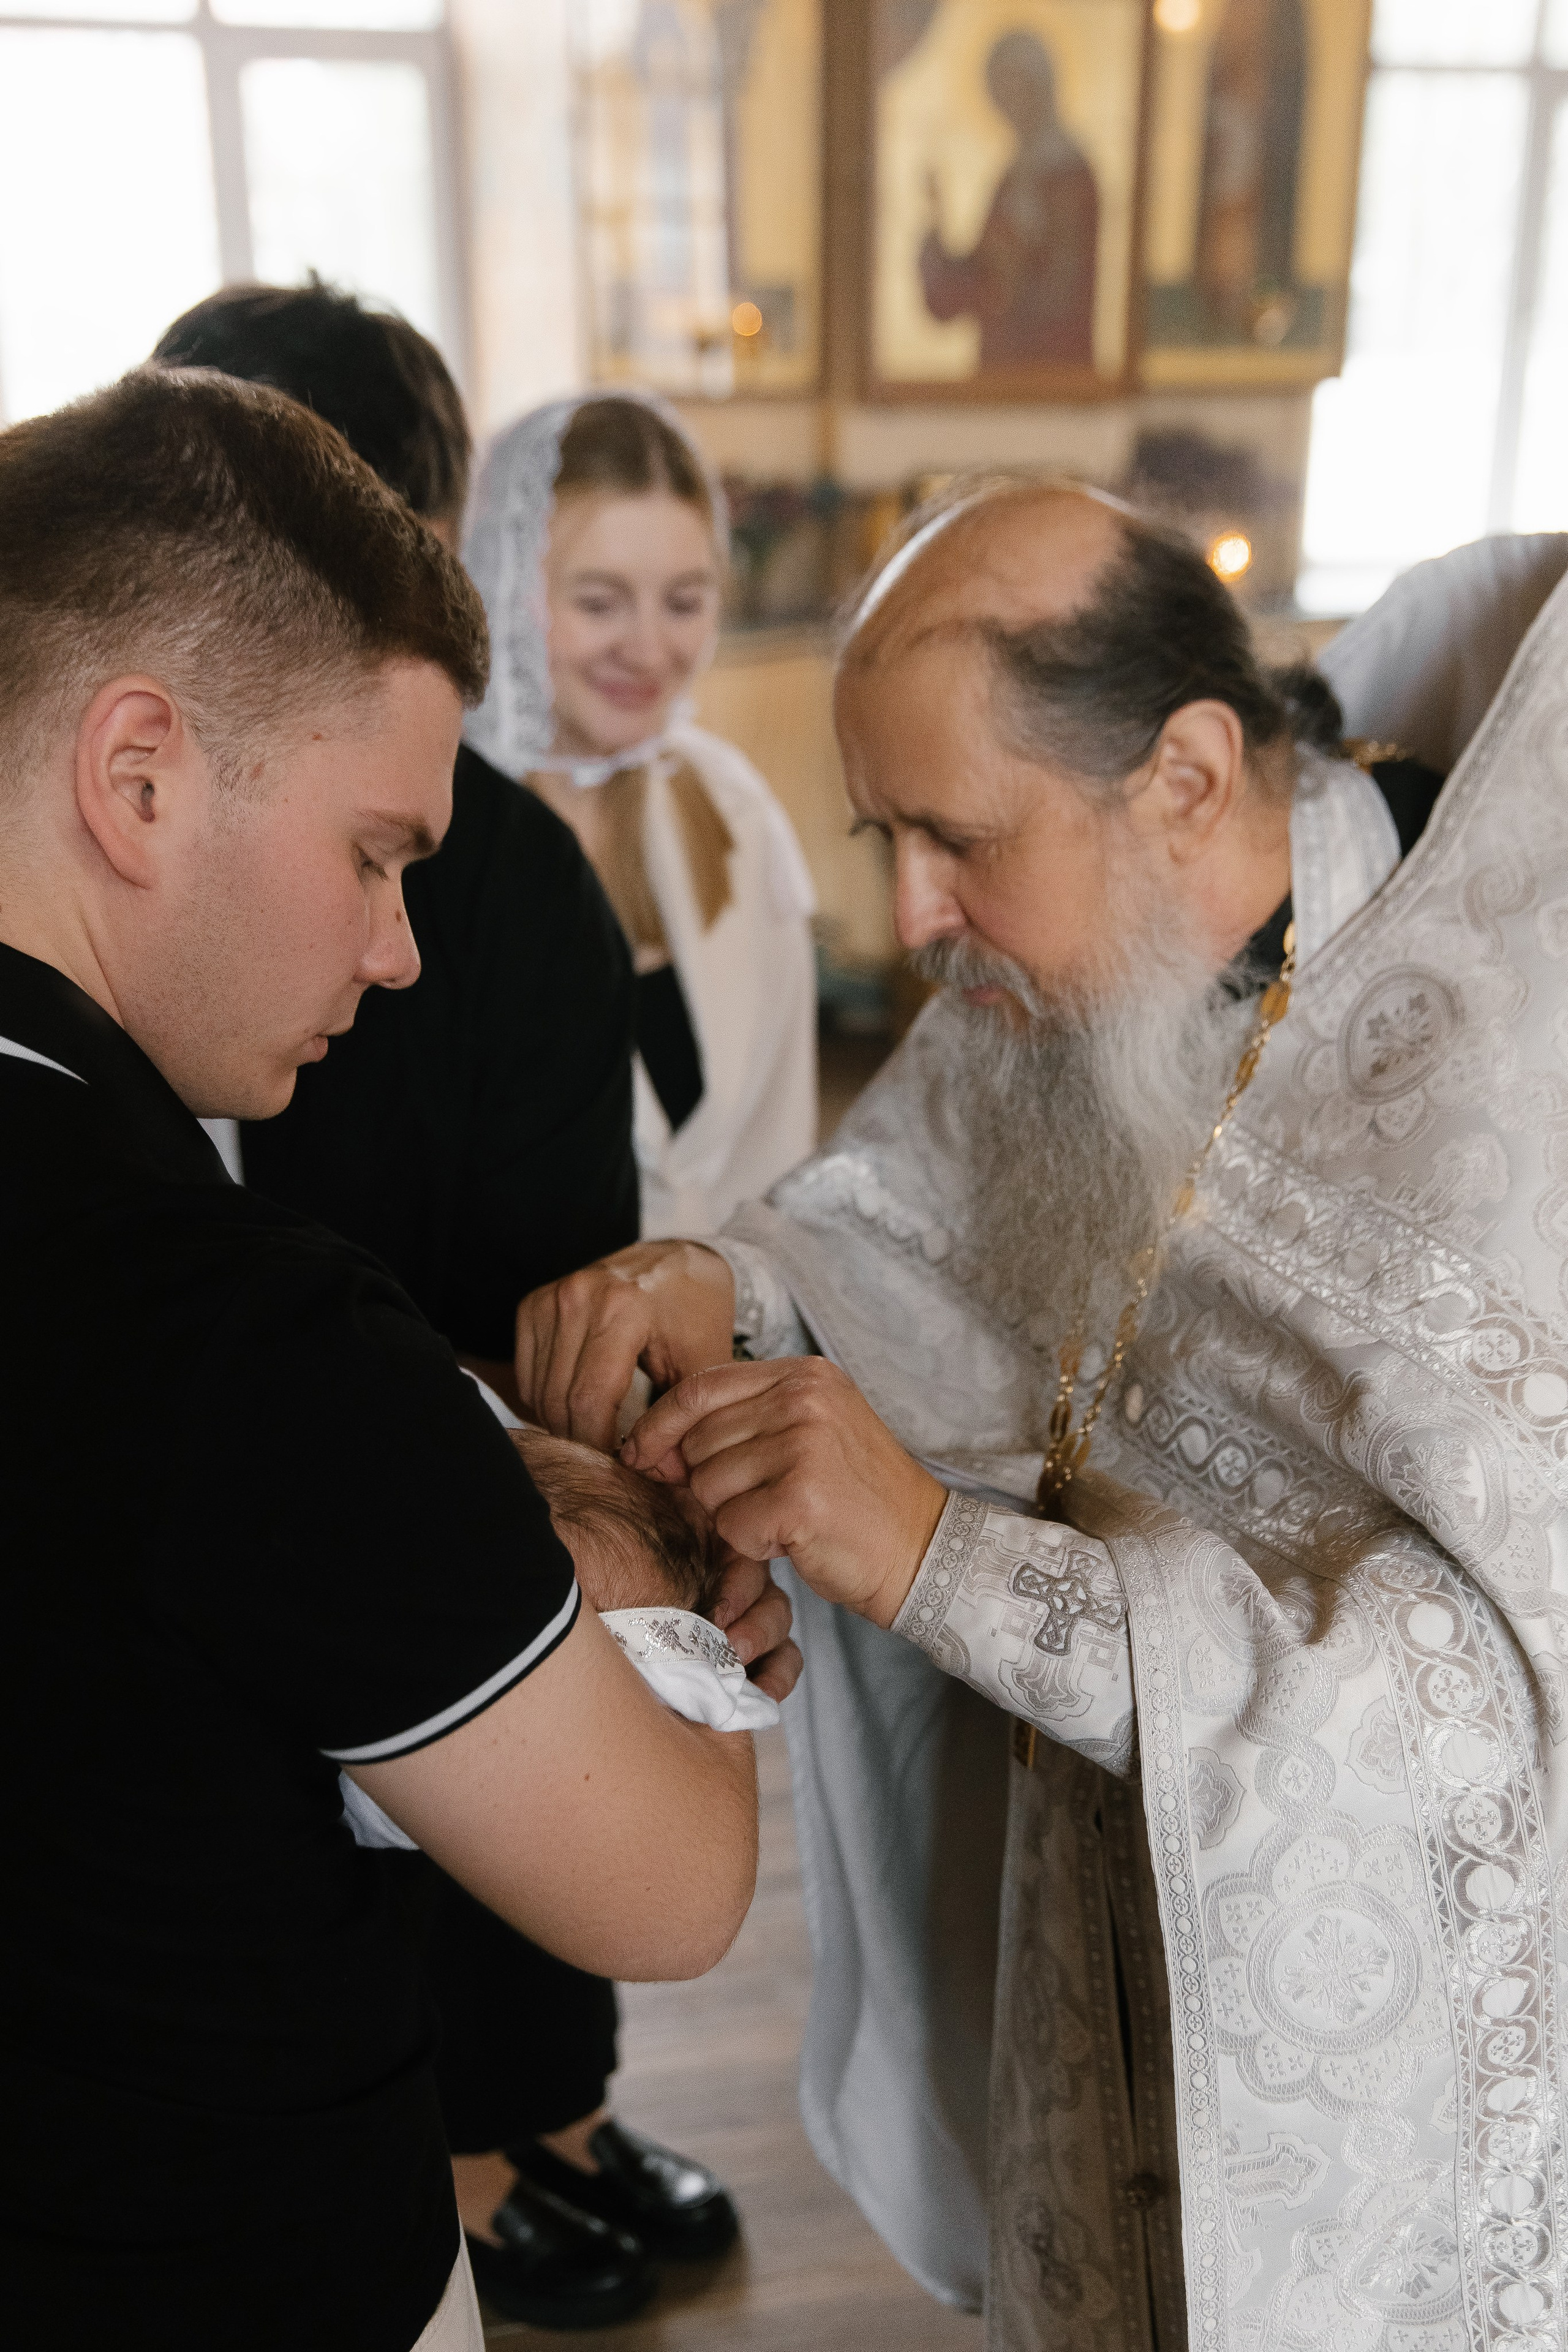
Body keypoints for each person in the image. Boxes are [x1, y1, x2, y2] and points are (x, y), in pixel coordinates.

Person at [514, 485, 1568, 2345]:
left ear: (1179, 775)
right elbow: (915, 1229)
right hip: (1092, 1904)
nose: (910, 915)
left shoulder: (1506, 1061)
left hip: (1379, 2059)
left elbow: (1485, 1699)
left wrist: (938, 1562)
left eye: (954, 837)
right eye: (883, 834)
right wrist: (727, 1287)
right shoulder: (1074, 954)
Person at [0, 366, 762, 2352]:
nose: (404, 947)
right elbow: (673, 1890)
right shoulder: (234, 1330)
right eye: (375, 852)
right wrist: (678, 1552)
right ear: (139, 774)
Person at [463, 389, 818, 1240]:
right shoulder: (446, 839)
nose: (650, 649)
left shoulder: (732, 811)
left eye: (685, 602)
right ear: (507, 587)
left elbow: (782, 1142)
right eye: (599, 602)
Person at [919, 31, 1098, 372]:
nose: (1011, 102)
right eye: (1001, 91)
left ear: (1043, 87)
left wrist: (1001, 285)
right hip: (1003, 363)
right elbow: (983, 273)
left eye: (1019, 87)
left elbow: (1046, 286)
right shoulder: (1016, 172)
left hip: (1046, 367)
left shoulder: (1067, 174)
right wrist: (937, 217)